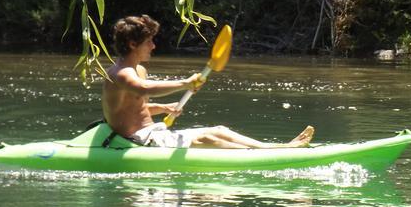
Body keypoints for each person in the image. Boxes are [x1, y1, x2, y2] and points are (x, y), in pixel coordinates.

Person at [102, 15, 314, 149]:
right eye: (149, 41)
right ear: (132, 44)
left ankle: (270, 147)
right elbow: (143, 88)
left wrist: (165, 107)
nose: (153, 46)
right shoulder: (120, 73)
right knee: (205, 140)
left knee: (219, 129)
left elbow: (135, 105)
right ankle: (271, 154)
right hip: (137, 140)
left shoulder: (139, 69)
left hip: (153, 133)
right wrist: (185, 83)